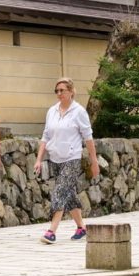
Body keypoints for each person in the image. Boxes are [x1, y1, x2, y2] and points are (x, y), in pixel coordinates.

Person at [34, 77, 100, 244]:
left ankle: (51, 231)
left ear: (71, 92)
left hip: (72, 158)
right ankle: (81, 227)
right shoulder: (52, 111)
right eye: (56, 91)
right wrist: (38, 159)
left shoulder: (79, 112)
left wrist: (94, 161)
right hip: (55, 158)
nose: (59, 93)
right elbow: (45, 136)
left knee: (60, 192)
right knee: (69, 194)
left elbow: (88, 138)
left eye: (62, 90)